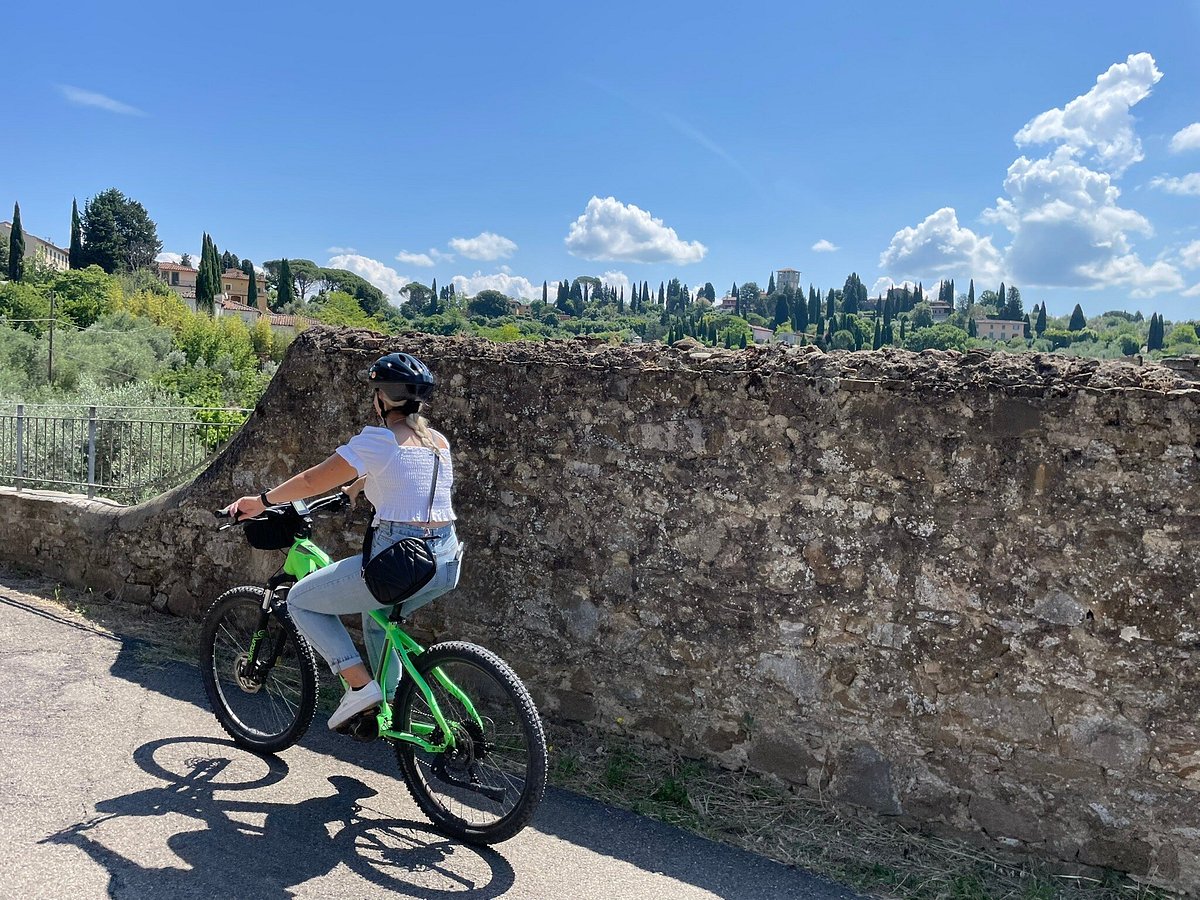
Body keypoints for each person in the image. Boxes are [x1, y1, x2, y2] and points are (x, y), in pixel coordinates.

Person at [224, 352, 463, 731]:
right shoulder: (437, 442)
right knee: (376, 620)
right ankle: (389, 710)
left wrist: (261, 501)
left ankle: (360, 688)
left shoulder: (379, 440)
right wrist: (356, 486)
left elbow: (311, 481)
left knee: (300, 599)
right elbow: (404, 473)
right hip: (445, 561)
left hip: (401, 560)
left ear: (382, 399)